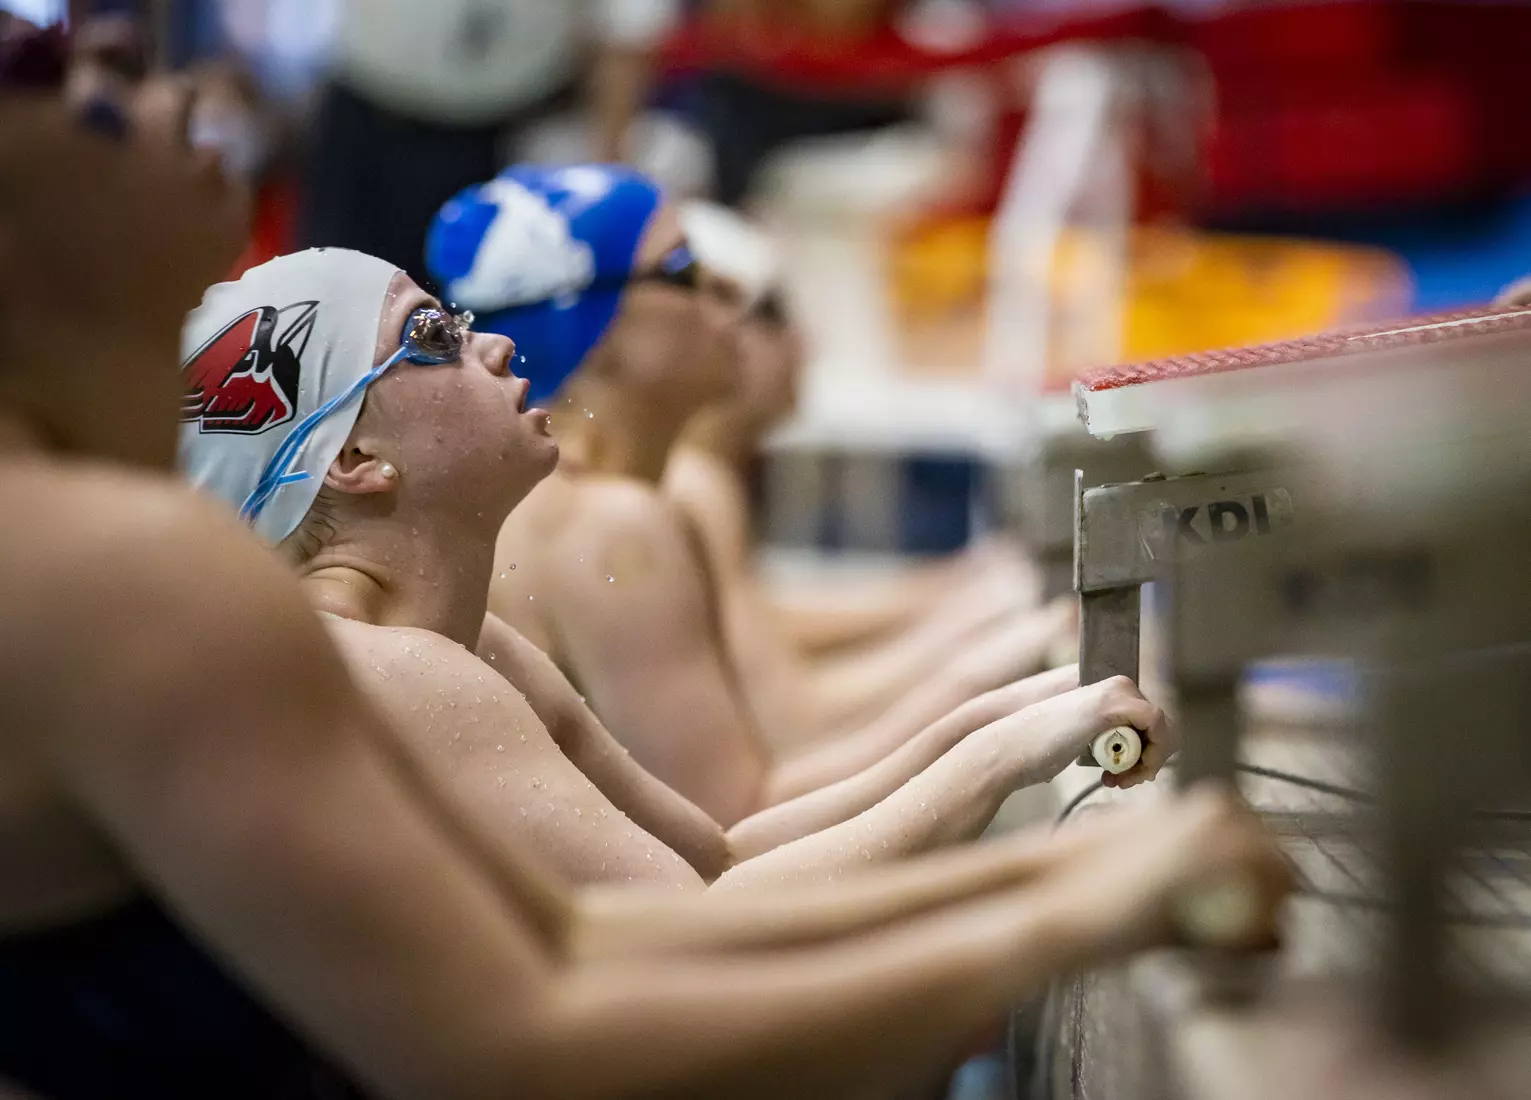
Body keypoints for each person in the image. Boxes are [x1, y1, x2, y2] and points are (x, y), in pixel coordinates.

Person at [0, 79, 1291, 1100]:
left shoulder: (457, 633)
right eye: (697, 285)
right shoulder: (376, 619)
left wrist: (1016, 772)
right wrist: (1036, 884)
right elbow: (567, 998)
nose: (742, 320)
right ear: (351, 455)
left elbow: (670, 888)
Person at [178, 247, 1167, 891]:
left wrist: (1010, 715)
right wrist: (1004, 757)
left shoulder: (472, 646)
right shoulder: (403, 660)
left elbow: (724, 851)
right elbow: (714, 905)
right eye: (431, 337)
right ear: (349, 458)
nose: (491, 343)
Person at [428, 165, 1083, 825]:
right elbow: (736, 832)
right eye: (684, 270)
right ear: (595, 337)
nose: (729, 290)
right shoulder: (608, 527)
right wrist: (1001, 709)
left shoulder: (551, 503)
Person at [665, 202, 1057, 751]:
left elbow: (769, 623)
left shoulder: (696, 476)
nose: (808, 345)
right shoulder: (690, 487)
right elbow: (795, 725)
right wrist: (981, 635)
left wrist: (952, 593)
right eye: (775, 313)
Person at [304, 0, 680, 288]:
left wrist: (608, 171)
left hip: (500, 134)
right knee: (327, 295)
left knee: (465, 330)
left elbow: (627, 32)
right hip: (368, 111)